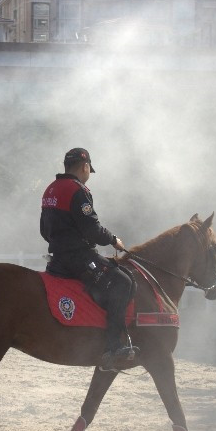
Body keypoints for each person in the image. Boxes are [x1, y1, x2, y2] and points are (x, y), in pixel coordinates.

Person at [40, 148, 137, 371]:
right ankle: (112, 348)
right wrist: (113, 240)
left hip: (58, 257)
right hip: (78, 258)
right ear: (84, 167)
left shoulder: (50, 190)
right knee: (123, 282)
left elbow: (44, 230)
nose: (88, 174)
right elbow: (92, 229)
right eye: (89, 170)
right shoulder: (78, 190)